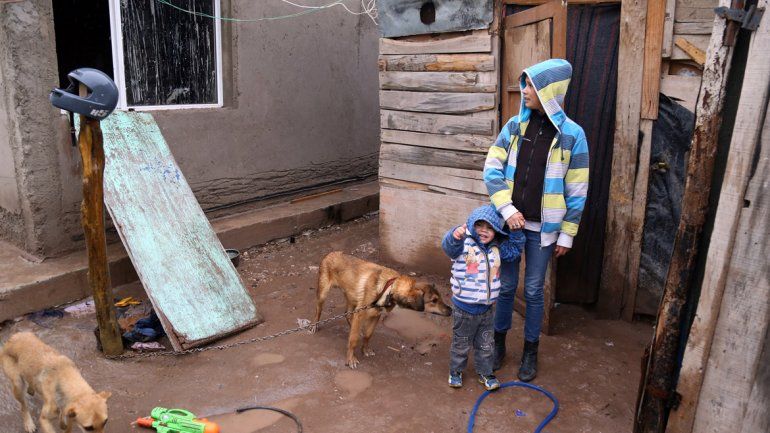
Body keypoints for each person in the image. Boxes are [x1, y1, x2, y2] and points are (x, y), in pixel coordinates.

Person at [483, 58, 589, 382]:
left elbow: (578, 189)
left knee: (532, 291)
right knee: (505, 288)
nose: (524, 91)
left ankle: (530, 351)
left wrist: (567, 234)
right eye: (524, 83)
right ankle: (499, 344)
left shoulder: (572, 135)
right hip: (511, 226)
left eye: (530, 85)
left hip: (543, 231)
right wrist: (506, 209)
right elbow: (492, 168)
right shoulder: (515, 127)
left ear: (549, 90)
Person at [441, 205, 525, 390]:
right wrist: (454, 235)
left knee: (486, 345)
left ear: (496, 231)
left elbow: (515, 250)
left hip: (487, 310)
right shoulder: (463, 245)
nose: (484, 231)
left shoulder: (497, 249)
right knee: (460, 344)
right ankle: (455, 371)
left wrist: (517, 231)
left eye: (489, 228)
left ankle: (485, 373)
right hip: (463, 308)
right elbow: (448, 248)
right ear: (471, 226)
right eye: (479, 226)